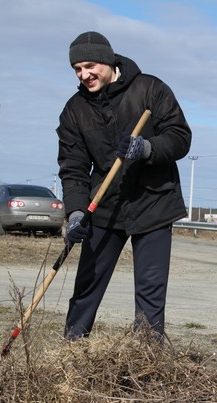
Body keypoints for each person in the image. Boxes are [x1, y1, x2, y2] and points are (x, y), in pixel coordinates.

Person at [57, 31, 192, 341]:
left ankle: (147, 359)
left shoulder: (150, 89)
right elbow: (73, 167)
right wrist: (76, 212)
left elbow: (180, 137)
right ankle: (71, 351)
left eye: (90, 65)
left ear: (108, 60)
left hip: (154, 204)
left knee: (150, 293)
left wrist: (146, 148)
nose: (84, 74)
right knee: (87, 286)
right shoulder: (74, 110)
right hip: (104, 206)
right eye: (77, 69)